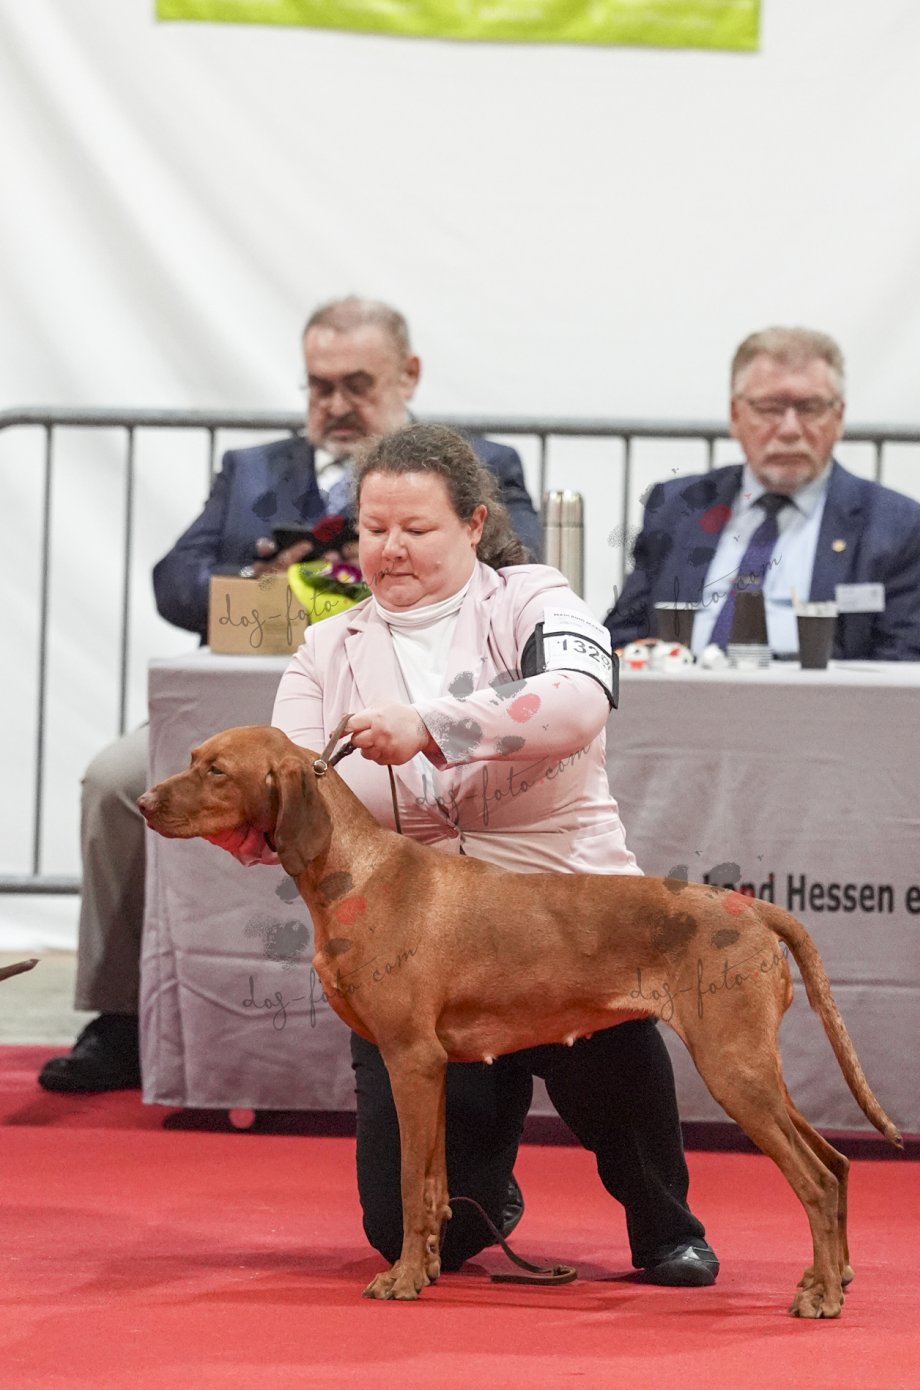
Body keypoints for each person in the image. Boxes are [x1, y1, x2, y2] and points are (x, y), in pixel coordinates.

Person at [224, 422, 717, 1287]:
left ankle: (663, 1220)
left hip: (564, 912)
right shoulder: (325, 649)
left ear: (474, 524)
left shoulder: (538, 600)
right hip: (422, 946)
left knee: (614, 1060)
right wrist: (253, 826)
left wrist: (431, 725)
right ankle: (486, 1198)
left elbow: (577, 700)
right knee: (401, 1234)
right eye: (375, 528)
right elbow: (295, 787)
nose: (392, 548)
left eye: (417, 528)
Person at [38, 298, 542, 1094]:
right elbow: (174, 581)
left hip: (407, 703)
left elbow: (522, 561)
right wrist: (268, 586)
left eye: (356, 384)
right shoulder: (253, 470)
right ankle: (119, 1016)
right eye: (318, 386)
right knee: (114, 780)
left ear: (409, 375)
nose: (335, 404)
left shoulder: (472, 462)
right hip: (235, 710)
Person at [605, 326, 920, 662]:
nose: (790, 430)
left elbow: (908, 660)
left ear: (838, 417)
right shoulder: (679, 507)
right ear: (735, 415)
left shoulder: (895, 528)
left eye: (810, 408)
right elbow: (621, 636)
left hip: (818, 697)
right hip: (682, 690)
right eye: (769, 408)